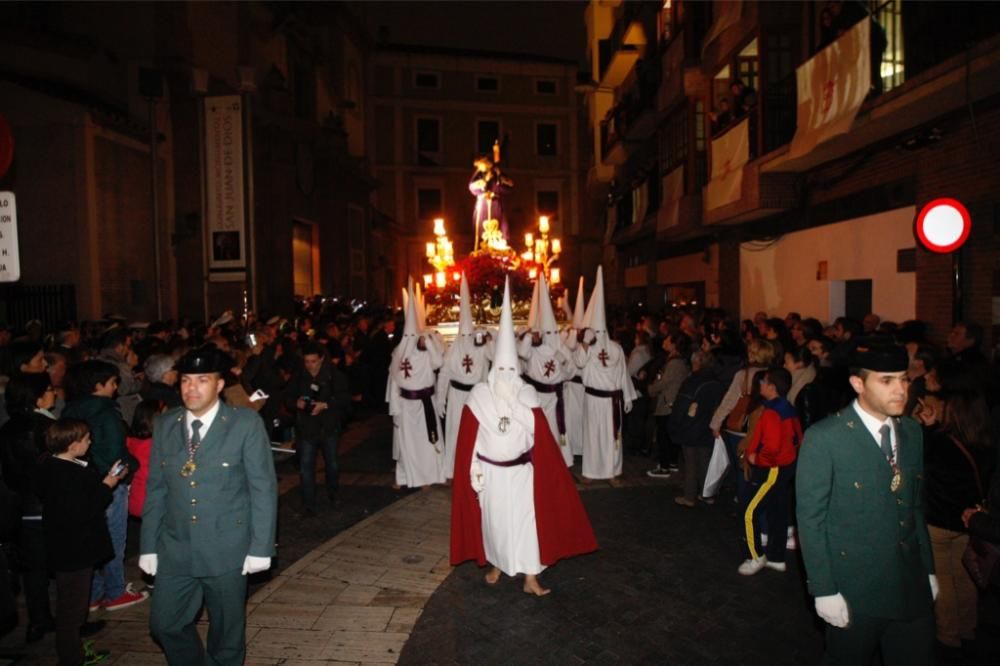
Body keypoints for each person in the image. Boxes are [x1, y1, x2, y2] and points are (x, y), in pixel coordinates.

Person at [450, 278, 597, 596]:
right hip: (490, 473)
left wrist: (517, 407)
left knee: (528, 522)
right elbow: (470, 441)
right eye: (500, 372)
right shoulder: (478, 396)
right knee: (495, 523)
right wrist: (473, 469)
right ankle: (497, 563)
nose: (505, 377)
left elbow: (539, 436)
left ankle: (531, 575)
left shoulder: (527, 395)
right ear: (492, 371)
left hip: (521, 473)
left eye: (510, 372)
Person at [796, 340, 937, 665]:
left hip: (910, 584)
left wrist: (928, 569)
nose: (900, 389)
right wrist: (824, 589)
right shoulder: (827, 437)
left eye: (904, 379)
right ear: (858, 383)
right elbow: (811, 519)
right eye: (886, 380)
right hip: (855, 588)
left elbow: (914, 506)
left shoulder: (912, 432)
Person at [139, 346, 278, 666]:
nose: (192, 388)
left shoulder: (244, 423)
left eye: (202, 380)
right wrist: (149, 545)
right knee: (164, 624)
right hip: (176, 546)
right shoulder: (166, 423)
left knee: (226, 634)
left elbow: (263, 488)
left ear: (218, 385)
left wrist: (261, 547)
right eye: (186, 380)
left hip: (227, 547)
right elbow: (157, 488)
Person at [62, 360, 146, 613]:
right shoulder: (105, 413)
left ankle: (95, 592)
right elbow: (114, 456)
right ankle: (116, 591)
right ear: (98, 385)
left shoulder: (70, 410)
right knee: (114, 538)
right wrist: (128, 470)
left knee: (93, 538)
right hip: (107, 483)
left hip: (80, 482)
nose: (116, 387)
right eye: (112, 382)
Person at [41, 418, 124, 666]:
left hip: (62, 547)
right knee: (72, 611)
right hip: (75, 550)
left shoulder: (49, 466)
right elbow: (84, 507)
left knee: (71, 603)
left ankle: (75, 650)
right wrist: (108, 484)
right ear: (73, 445)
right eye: (87, 438)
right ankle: (71, 658)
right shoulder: (72, 474)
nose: (90, 442)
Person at [0, 373, 57, 642]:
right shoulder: (46, 427)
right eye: (49, 389)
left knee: (34, 570)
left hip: (22, 507)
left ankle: (39, 620)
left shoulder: (7, 428)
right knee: (66, 566)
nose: (54, 393)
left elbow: (9, 473)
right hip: (47, 505)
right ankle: (69, 624)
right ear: (37, 396)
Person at [573, 266, 637, 485]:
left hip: (611, 400)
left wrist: (627, 397)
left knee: (612, 436)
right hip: (592, 399)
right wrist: (583, 344)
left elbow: (623, 374)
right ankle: (590, 472)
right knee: (593, 436)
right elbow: (578, 363)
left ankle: (611, 472)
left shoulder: (616, 348)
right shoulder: (588, 348)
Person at [737, 368, 802, 575]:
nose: (760, 385)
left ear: (772, 387)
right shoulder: (786, 408)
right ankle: (776, 556)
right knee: (777, 510)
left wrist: (757, 457)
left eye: (763, 381)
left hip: (771, 469)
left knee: (748, 511)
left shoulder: (773, 412)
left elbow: (772, 447)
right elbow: (798, 438)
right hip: (784, 468)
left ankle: (755, 556)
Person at [386, 286, 446, 488]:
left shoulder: (427, 351)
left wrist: (428, 343)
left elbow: (438, 363)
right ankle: (405, 477)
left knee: (426, 442)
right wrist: (394, 407)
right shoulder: (398, 353)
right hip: (405, 405)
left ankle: (427, 476)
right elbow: (393, 381)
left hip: (425, 403)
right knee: (406, 444)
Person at [437, 273, 492, 478]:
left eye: (471, 334)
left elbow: (494, 356)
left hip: (476, 396)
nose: (468, 338)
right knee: (454, 432)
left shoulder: (481, 347)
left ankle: (477, 467)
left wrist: (488, 339)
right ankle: (453, 470)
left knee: (478, 432)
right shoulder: (452, 350)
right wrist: (441, 397)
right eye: (465, 335)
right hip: (457, 396)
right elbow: (444, 374)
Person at [518, 274, 574, 467]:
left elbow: (572, 371)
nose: (549, 337)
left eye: (551, 333)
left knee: (556, 430)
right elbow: (522, 355)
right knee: (537, 430)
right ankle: (537, 461)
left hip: (555, 397)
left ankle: (558, 462)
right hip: (536, 397)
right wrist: (529, 336)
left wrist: (563, 364)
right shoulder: (532, 347)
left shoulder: (561, 346)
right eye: (545, 333)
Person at [288, 342, 350, 515]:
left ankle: (334, 494)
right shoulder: (300, 375)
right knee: (306, 467)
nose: (310, 365)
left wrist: (326, 405)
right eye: (307, 361)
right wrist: (296, 403)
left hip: (328, 427)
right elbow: (288, 396)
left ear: (321, 359)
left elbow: (344, 398)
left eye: (313, 361)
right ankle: (309, 503)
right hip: (308, 428)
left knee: (332, 464)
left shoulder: (333, 375)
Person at [669, 349, 724, 506]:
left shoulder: (691, 381)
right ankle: (707, 494)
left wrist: (675, 424)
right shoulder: (716, 382)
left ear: (696, 363)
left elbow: (681, 405)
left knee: (691, 461)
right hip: (708, 426)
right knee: (705, 460)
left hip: (691, 426)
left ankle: (689, 496)